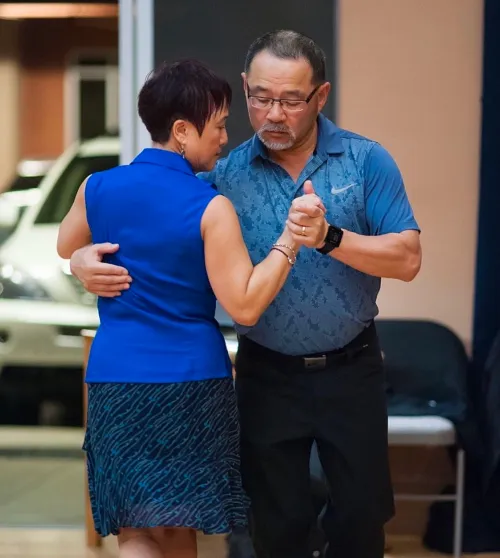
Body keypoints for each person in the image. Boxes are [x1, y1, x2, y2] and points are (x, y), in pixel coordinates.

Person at [69, 31, 422, 558]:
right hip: (266, 372)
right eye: (259, 98)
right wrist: (79, 260)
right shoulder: (224, 174)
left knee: (359, 518)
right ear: (244, 89)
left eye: (289, 100)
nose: (272, 113)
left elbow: (408, 259)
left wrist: (328, 238)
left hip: (352, 368)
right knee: (276, 525)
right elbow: (154, 228)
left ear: (320, 97)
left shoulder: (366, 162)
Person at [56, 59, 315, 558]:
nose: (224, 137)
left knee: (135, 529)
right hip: (189, 383)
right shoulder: (207, 206)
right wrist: (289, 240)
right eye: (217, 125)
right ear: (181, 130)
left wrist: (82, 261)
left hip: (115, 380)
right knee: (178, 529)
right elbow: (244, 305)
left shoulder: (98, 187)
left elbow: (68, 246)